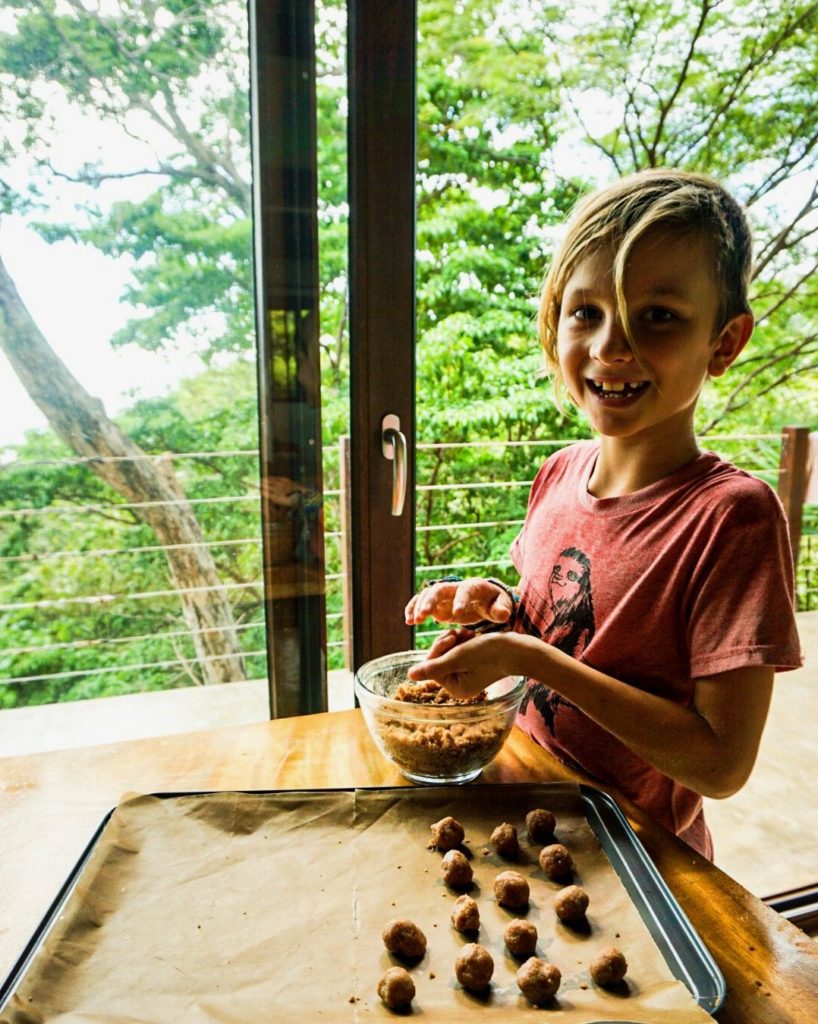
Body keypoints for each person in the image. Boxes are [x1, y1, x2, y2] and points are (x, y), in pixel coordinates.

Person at [404, 168, 803, 858]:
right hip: (528, 814)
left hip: (639, 858)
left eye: (659, 316)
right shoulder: (558, 474)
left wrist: (535, 660)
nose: (612, 348)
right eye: (586, 312)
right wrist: (495, 608)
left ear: (725, 343)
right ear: (554, 323)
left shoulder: (732, 517)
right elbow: (568, 628)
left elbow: (720, 764)